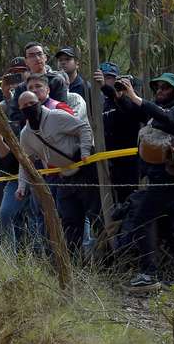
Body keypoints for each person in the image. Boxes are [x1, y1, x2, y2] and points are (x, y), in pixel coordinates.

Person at [120, 73, 174, 290]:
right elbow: (134, 111)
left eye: (165, 87)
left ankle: (148, 274)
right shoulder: (156, 113)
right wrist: (118, 94)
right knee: (171, 227)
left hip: (170, 176)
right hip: (157, 177)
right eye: (158, 87)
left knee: (142, 219)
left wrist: (137, 98)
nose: (160, 91)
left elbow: (171, 121)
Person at [15, 91, 97, 256]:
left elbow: (83, 127)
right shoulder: (26, 134)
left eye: (32, 103)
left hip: (86, 172)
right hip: (63, 177)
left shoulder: (56, 116)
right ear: (19, 110)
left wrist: (85, 151)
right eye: (24, 106)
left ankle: (105, 259)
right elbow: (25, 162)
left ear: (39, 102)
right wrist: (21, 185)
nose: (29, 107)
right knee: (69, 222)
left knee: (96, 216)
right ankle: (74, 263)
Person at [92, 62, 142, 204]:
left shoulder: (127, 98)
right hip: (108, 162)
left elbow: (130, 110)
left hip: (129, 162)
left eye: (109, 78)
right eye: (103, 77)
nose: (105, 81)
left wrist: (107, 88)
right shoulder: (100, 103)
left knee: (129, 201)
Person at [10, 42, 70, 127]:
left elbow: (61, 110)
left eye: (39, 54)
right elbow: (15, 116)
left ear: (45, 57)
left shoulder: (56, 81)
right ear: (26, 61)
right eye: (31, 56)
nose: (37, 58)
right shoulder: (21, 88)